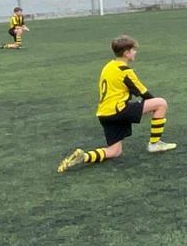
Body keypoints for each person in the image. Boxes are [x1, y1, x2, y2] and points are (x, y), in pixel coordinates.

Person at [57, 36, 176, 173]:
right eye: (133, 50)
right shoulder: (125, 71)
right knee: (161, 103)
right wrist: (151, 105)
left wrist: (147, 105)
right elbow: (143, 92)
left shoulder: (108, 66)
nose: (135, 52)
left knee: (114, 151)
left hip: (104, 114)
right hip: (118, 110)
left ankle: (84, 156)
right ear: (126, 53)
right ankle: (154, 144)